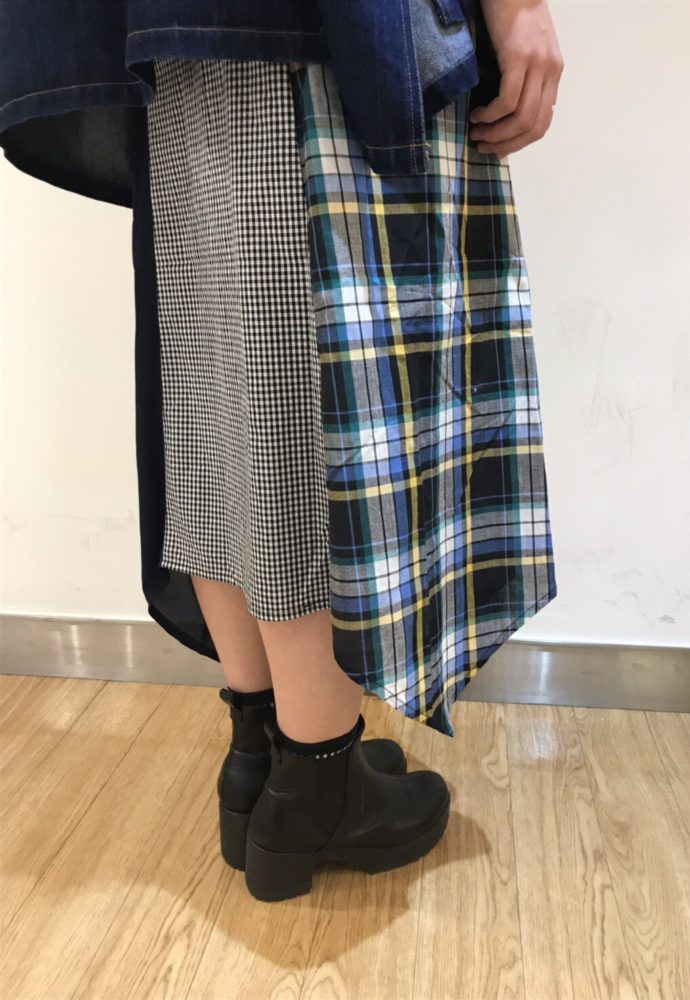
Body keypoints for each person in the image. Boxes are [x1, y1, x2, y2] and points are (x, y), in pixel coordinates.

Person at [0, 0, 563, 902]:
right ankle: (316, 777)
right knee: (307, 404)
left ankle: (259, 753)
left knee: (221, 403)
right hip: (313, 28)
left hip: (167, 32)